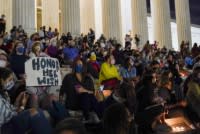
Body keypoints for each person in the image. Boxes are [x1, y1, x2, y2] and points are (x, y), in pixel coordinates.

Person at [0, 67, 52, 134]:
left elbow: (10, 109)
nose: (12, 82)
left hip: (10, 119)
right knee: (34, 113)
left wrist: (18, 100)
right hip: (4, 127)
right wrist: (22, 106)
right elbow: (10, 116)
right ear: (1, 81)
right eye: (10, 79)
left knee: (38, 112)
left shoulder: (4, 93)